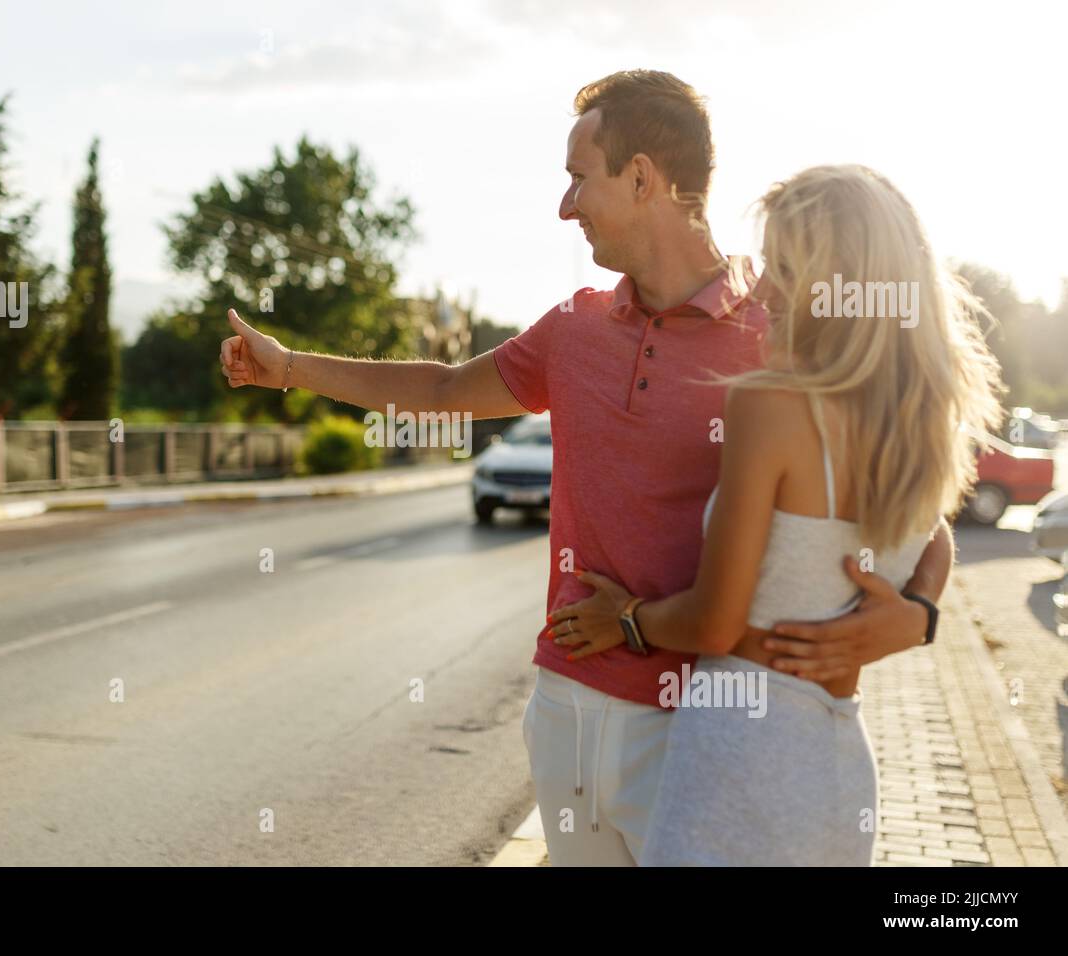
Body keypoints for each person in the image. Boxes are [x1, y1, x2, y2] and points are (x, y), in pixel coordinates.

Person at [219, 70, 954, 866]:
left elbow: (915, 499)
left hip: (697, 720)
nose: (565, 206)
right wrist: (287, 365)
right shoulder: (573, 328)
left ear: (641, 177)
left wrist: (918, 613)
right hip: (564, 705)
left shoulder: (778, 326)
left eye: (578, 178)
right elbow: (438, 388)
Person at [546, 163, 1004, 865]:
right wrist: (920, 613)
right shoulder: (925, 425)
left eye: (783, 267)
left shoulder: (770, 405)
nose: (759, 289)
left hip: (738, 763)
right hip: (836, 768)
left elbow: (717, 621)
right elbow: (935, 534)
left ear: (834, 285)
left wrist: (628, 619)